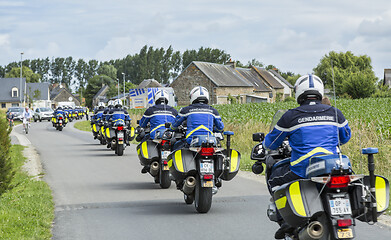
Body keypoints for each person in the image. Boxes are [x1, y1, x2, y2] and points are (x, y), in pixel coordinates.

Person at [262, 74, 351, 239]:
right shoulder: (335, 112)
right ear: (320, 92)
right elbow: (345, 137)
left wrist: (265, 145)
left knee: (274, 181)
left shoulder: (290, 116)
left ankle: (286, 222)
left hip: (303, 170)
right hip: (334, 168)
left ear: (298, 93)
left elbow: (271, 143)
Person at [170, 86, 224, 150]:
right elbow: (220, 127)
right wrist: (215, 129)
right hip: (209, 141)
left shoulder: (186, 110)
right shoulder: (213, 111)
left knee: (177, 145)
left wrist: (171, 128)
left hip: (191, 141)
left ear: (192, 97)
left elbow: (175, 124)